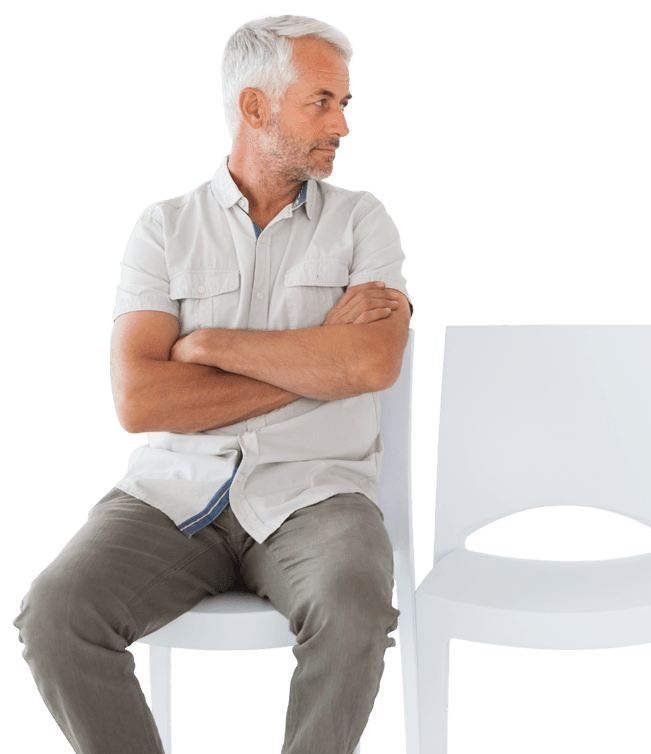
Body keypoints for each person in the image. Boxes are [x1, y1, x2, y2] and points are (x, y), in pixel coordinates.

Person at [13, 13, 412, 754]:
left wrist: (211, 347)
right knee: (55, 614)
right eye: (322, 101)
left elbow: (370, 365)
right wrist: (314, 359)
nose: (343, 124)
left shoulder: (364, 222)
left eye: (345, 103)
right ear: (255, 108)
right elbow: (141, 401)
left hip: (316, 494)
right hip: (171, 493)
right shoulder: (163, 229)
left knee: (355, 605)